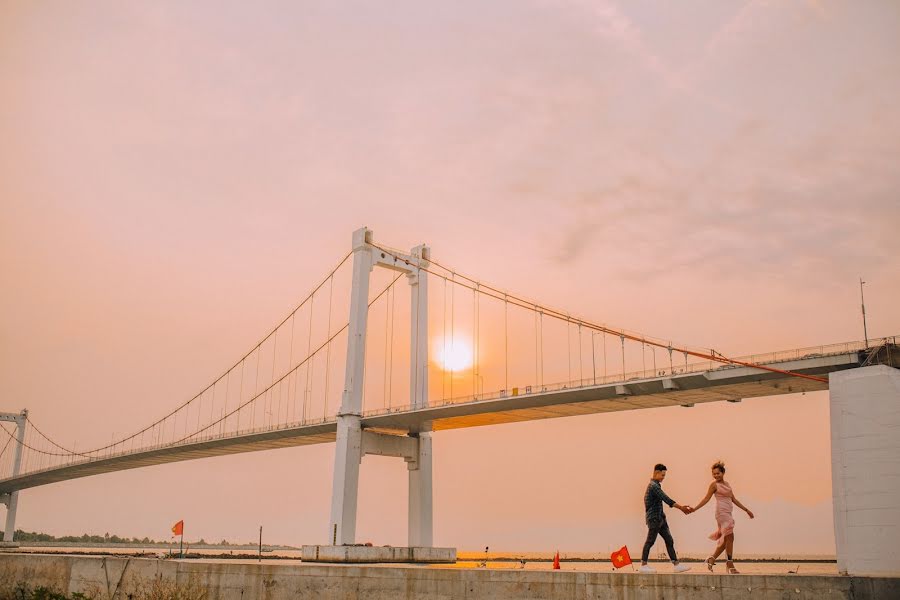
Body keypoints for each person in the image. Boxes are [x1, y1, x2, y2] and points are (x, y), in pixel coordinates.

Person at [690, 461, 754, 574]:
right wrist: (695, 509)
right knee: (730, 535)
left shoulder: (728, 484)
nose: (716, 476)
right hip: (721, 513)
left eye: (718, 473)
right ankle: (730, 564)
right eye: (714, 474)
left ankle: (712, 558)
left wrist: (746, 510)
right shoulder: (714, 485)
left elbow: (733, 499)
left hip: (728, 512)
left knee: (728, 538)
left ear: (723, 473)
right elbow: (706, 499)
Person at [640, 463, 692, 574]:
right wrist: (681, 507)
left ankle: (676, 564)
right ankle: (643, 565)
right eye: (662, 475)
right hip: (654, 518)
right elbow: (666, 499)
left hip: (661, 518)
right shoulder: (653, 486)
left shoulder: (657, 485)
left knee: (669, 540)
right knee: (650, 541)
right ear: (656, 472)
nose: (664, 478)